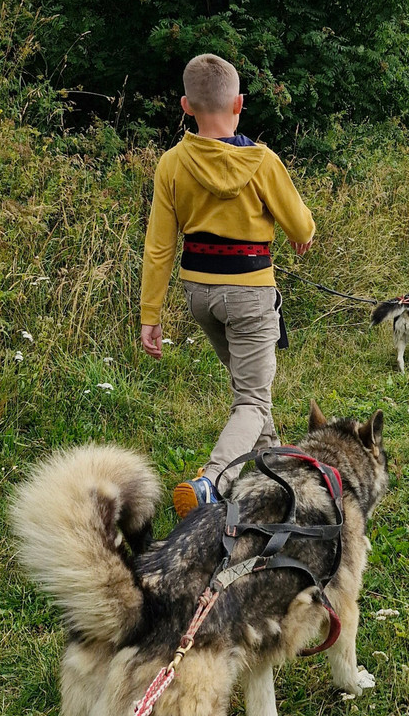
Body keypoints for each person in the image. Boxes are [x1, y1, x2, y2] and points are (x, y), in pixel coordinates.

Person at [140, 53, 316, 517]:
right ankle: (212, 482)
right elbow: (301, 227)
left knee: (252, 395)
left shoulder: (172, 164)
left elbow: (159, 248)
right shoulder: (262, 161)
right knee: (252, 398)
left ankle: (275, 471)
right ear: (239, 104)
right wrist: (302, 235)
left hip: (199, 295)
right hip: (251, 293)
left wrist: (150, 315)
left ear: (185, 105)